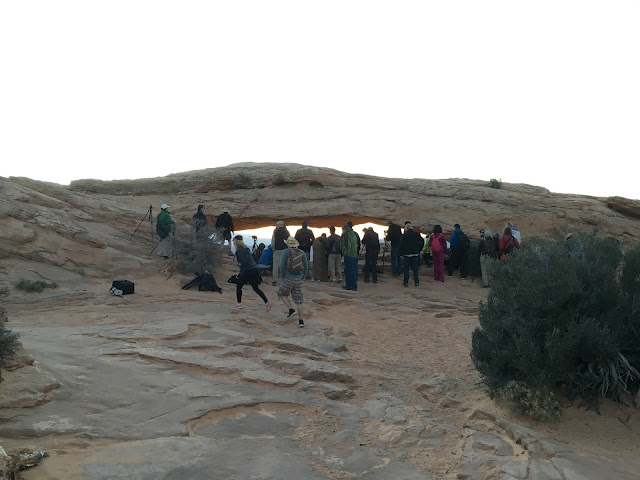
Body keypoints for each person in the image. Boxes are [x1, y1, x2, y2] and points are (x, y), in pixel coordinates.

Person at [231, 235, 272, 312]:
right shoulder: (246, 249)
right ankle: (267, 302)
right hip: (255, 269)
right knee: (255, 288)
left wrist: (241, 273)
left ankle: (239, 304)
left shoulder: (239, 251)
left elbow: (243, 263)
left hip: (247, 270)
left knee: (239, 286)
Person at [278, 236, 309, 327]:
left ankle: (291, 309)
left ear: (288, 244)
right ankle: (301, 321)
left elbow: (282, 265)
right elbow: (306, 266)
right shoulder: (302, 252)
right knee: (299, 301)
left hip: (288, 278)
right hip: (298, 279)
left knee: (281, 293)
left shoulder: (285, 252)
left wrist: (283, 275)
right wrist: (303, 276)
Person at [399, 222, 422, 287]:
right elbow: (422, 241)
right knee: (415, 269)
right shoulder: (417, 234)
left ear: (406, 228)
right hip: (415, 254)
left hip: (406, 255)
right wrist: (419, 249)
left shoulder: (404, 236)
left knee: (406, 269)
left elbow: (401, 245)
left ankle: (406, 282)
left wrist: (401, 254)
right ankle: (416, 282)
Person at [271, 220, 291, 286]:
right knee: (283, 265)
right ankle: (284, 280)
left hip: (277, 250)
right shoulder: (286, 232)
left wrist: (273, 249)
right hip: (285, 250)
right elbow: (289, 241)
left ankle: (274, 280)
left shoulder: (275, 232)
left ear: (278, 225)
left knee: (275, 266)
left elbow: (273, 241)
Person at [342, 225, 358, 291]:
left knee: (348, 271)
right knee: (353, 271)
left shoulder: (347, 235)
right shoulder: (354, 235)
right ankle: (354, 286)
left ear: (344, 230)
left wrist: (345, 254)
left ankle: (349, 286)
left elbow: (348, 246)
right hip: (354, 255)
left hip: (349, 256)